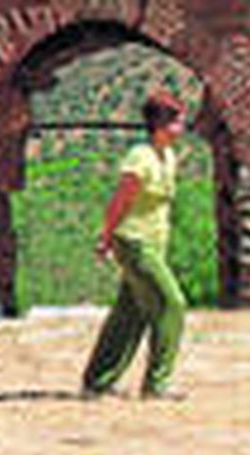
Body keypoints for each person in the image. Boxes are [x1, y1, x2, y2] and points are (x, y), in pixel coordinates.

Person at [81, 91, 190, 400]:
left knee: (130, 313)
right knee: (172, 303)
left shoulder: (167, 156)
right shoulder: (139, 158)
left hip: (154, 243)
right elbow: (120, 201)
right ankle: (157, 384)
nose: (182, 126)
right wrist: (106, 236)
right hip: (133, 241)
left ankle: (97, 380)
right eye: (177, 120)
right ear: (160, 123)